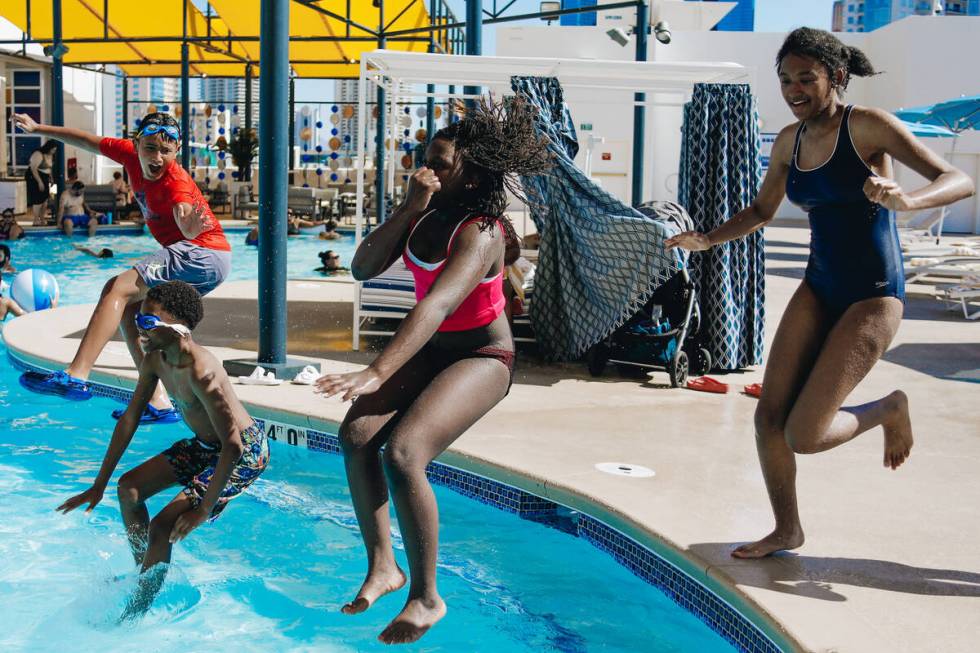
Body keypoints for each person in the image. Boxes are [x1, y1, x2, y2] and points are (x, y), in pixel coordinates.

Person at [666, 27, 975, 559]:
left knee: (804, 435)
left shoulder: (870, 126)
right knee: (769, 419)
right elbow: (764, 210)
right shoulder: (790, 140)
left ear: (835, 76)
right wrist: (708, 239)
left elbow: (958, 178)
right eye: (785, 80)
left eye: (805, 78)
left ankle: (887, 410)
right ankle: (787, 530)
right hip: (819, 286)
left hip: (873, 295)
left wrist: (907, 199)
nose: (794, 89)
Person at [314, 96, 551, 645]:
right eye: (425, 159)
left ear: (472, 174)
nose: (426, 169)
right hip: (432, 351)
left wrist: (376, 371)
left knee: (403, 453)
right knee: (355, 435)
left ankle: (426, 597)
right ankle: (383, 566)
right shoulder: (426, 216)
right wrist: (408, 206)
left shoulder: (483, 230)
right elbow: (362, 267)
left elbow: (437, 306)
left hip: (482, 358)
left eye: (439, 163)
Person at [55, 281, 269, 619]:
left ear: (180, 329)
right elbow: (129, 419)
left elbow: (233, 445)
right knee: (129, 489)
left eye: (149, 323)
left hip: (242, 453)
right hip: (205, 445)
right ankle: (147, 571)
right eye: (139, 320)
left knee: (162, 526)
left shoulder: (203, 371)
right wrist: (99, 484)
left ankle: (137, 612)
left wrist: (203, 509)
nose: (140, 330)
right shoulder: (155, 359)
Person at [14, 111, 232, 424]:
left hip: (202, 252)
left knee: (116, 288)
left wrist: (187, 225)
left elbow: (184, 213)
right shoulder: (126, 154)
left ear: (176, 151)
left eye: (166, 151)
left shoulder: (176, 183)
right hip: (203, 256)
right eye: (150, 149)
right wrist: (38, 128)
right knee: (130, 313)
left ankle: (76, 375)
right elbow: (83, 139)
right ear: (136, 144)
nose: (157, 158)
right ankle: (158, 404)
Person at [25, 140, 57, 226]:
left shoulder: (52, 155)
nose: (54, 151)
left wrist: (52, 180)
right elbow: (33, 169)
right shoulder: (38, 154)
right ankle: (36, 220)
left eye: (55, 150)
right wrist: (40, 182)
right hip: (34, 177)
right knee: (38, 199)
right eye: (53, 150)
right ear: (48, 148)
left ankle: (42, 218)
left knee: (45, 199)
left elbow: (49, 169)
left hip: (45, 177)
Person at [0, 244, 25, 320]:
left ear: (6, 259)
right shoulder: (5, 302)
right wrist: (52, 310)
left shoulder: (11, 272)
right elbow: (29, 318)